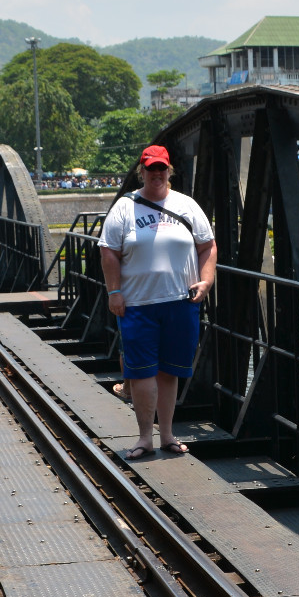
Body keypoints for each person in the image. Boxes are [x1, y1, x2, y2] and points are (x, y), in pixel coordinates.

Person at [99, 144, 215, 459]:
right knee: (140, 373)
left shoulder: (187, 205)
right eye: (151, 168)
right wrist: (114, 291)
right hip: (136, 304)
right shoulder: (125, 207)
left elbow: (207, 245)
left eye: (161, 168)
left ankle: (166, 435)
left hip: (180, 301)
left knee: (169, 371)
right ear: (142, 171)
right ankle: (143, 438)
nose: (157, 174)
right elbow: (108, 250)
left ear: (169, 171)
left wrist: (206, 280)